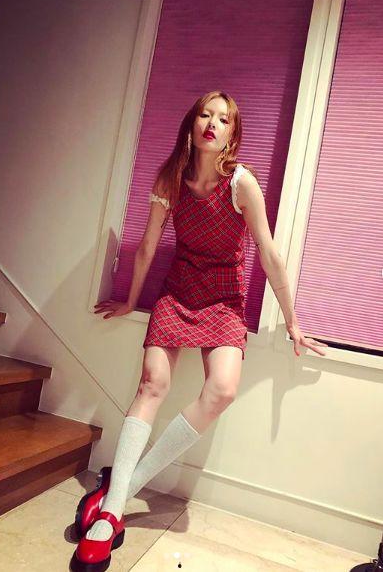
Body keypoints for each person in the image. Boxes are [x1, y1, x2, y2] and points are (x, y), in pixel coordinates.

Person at [71, 90, 328, 571]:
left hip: (225, 298)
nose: (213, 123)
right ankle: (111, 513)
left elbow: (269, 253)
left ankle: (118, 495)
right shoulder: (170, 178)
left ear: (233, 133)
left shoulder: (241, 183)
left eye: (224, 119)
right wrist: (130, 299)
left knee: (223, 390)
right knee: (152, 384)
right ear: (191, 125)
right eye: (205, 115)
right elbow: (148, 245)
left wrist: (292, 321)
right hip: (178, 290)